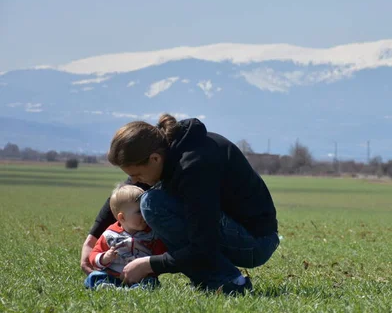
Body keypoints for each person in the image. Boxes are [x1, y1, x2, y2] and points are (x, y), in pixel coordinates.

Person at [80, 114, 279, 294]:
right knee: (152, 200)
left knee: (151, 204)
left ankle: (230, 282)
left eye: (137, 174)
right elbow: (126, 193)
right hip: (234, 231)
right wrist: (92, 238)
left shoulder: (194, 168)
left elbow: (203, 243)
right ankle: (208, 279)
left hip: (254, 242)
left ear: (155, 159)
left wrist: (151, 264)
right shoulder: (169, 151)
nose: (135, 180)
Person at [84, 184, 167, 290]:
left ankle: (138, 289)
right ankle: (107, 286)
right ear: (122, 217)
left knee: (151, 282)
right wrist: (104, 258)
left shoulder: (151, 234)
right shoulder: (110, 234)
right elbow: (93, 255)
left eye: (145, 209)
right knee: (94, 277)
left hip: (141, 276)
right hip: (113, 275)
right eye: (139, 212)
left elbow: (161, 254)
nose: (144, 214)